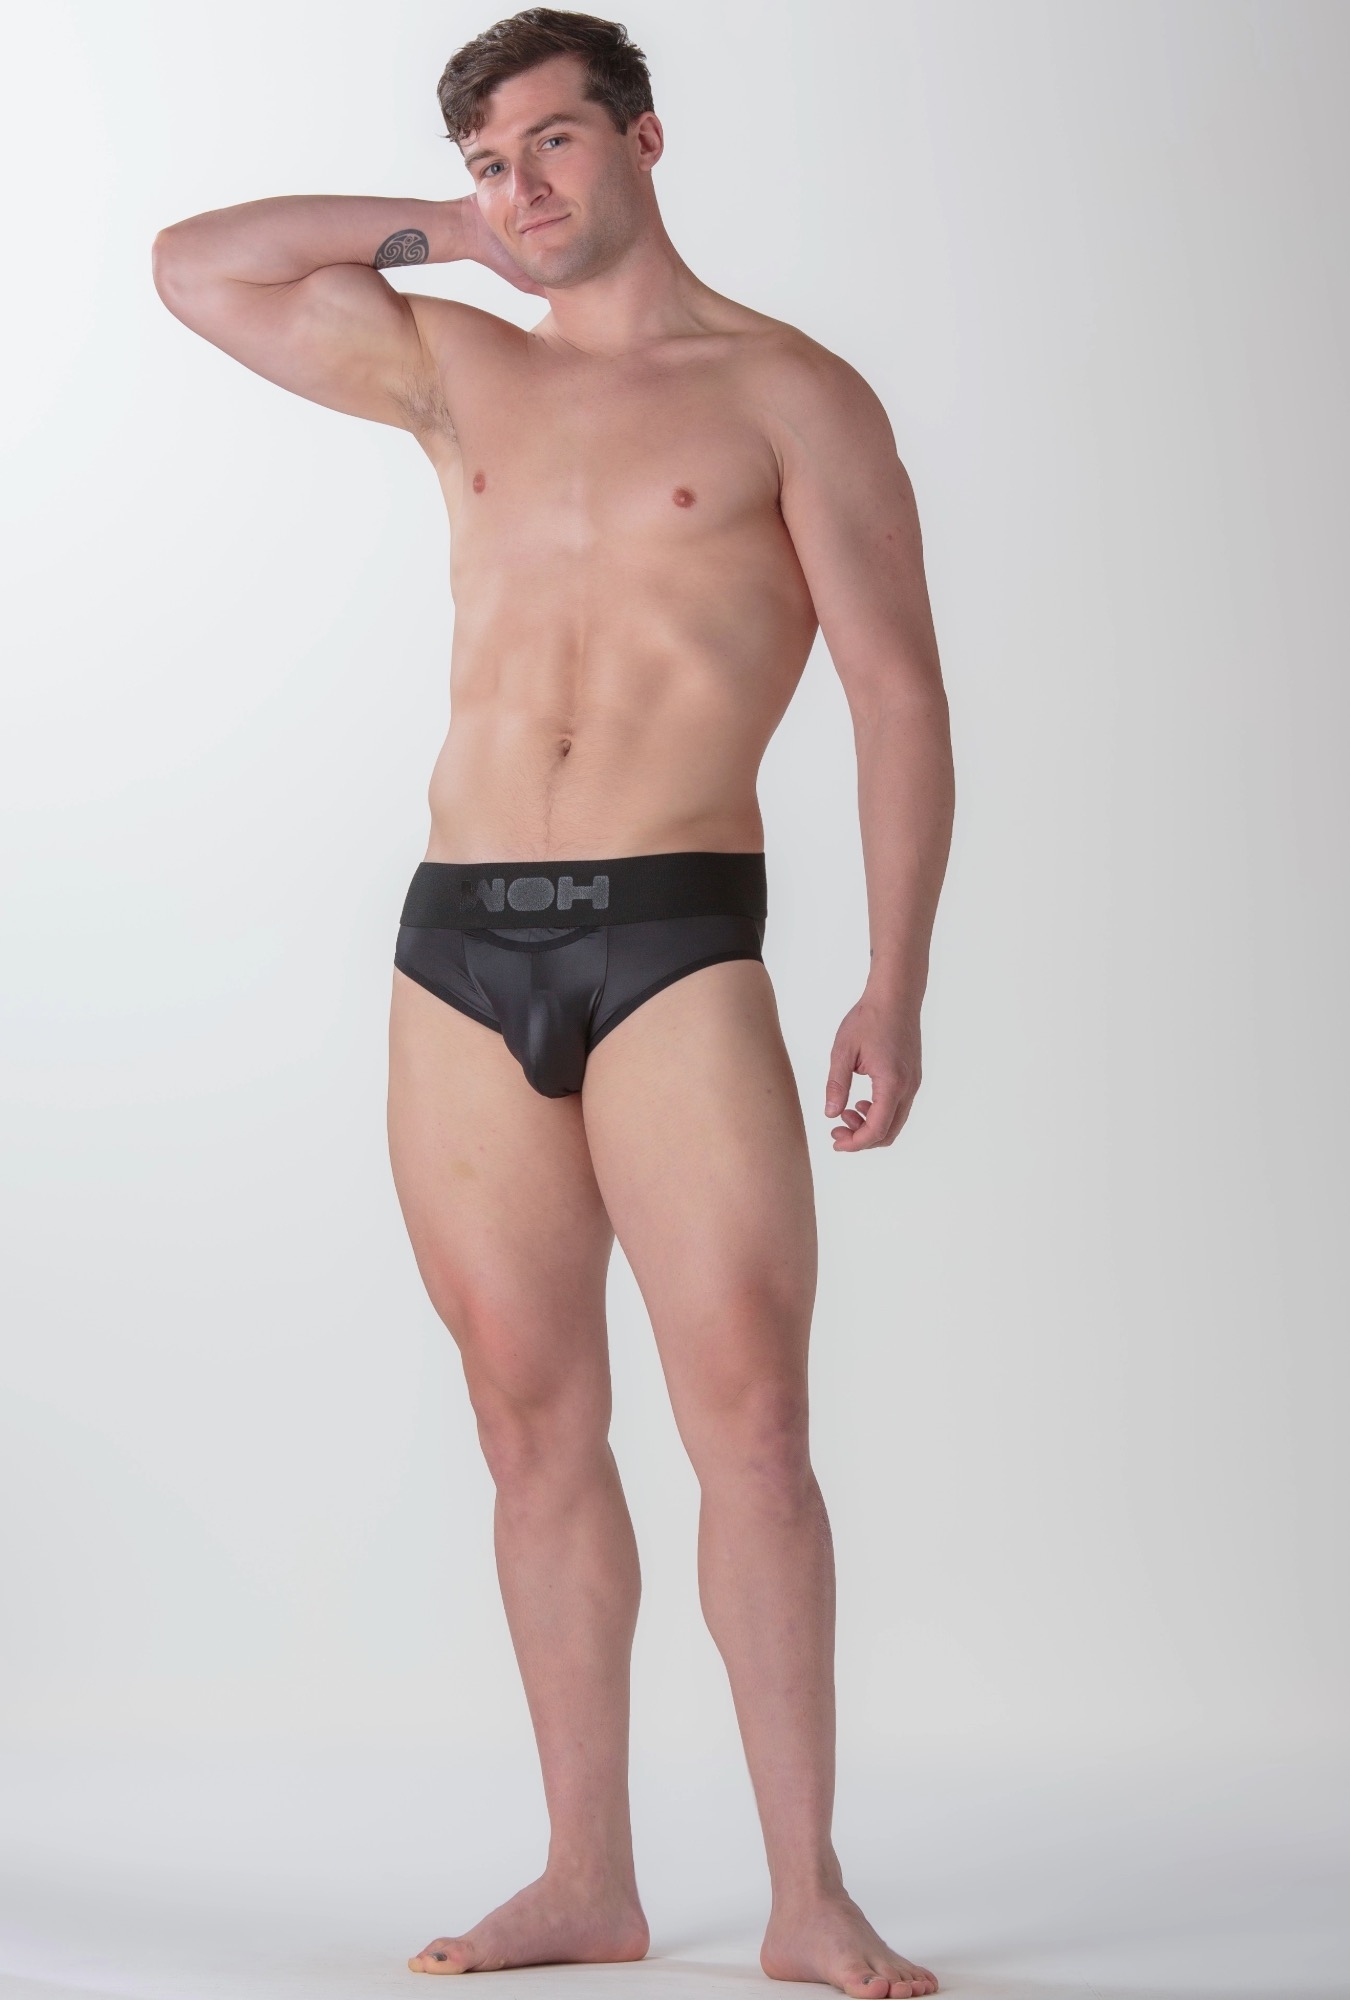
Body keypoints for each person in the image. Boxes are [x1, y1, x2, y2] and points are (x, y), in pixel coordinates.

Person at [152, 10, 953, 1996]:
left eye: (553, 145)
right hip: (458, 942)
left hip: (678, 933)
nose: (523, 187)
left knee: (751, 1419)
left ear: (645, 139)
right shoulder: (457, 366)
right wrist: (445, 227)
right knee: (530, 1424)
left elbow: (896, 694)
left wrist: (896, 978)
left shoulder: (789, 393)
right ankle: (586, 1876)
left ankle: (807, 1894)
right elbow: (195, 267)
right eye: (491, 161)